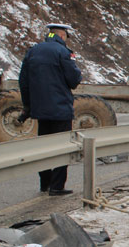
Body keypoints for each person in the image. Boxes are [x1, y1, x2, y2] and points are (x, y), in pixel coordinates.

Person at [18, 22, 82, 196]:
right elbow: (74, 79)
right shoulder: (64, 53)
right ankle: (57, 186)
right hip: (60, 109)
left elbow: (23, 81)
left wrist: (28, 106)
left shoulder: (33, 51)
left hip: (40, 109)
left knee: (44, 147)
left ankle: (44, 183)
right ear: (62, 36)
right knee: (63, 147)